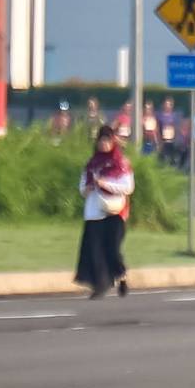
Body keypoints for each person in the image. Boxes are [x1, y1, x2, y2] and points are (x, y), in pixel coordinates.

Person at [75, 123, 133, 299]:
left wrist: (104, 184)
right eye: (101, 140)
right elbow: (82, 187)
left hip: (115, 212)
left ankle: (121, 276)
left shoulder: (121, 163)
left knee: (113, 249)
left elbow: (128, 187)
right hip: (94, 212)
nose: (104, 144)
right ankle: (100, 285)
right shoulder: (92, 164)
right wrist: (87, 188)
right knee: (95, 250)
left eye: (107, 140)